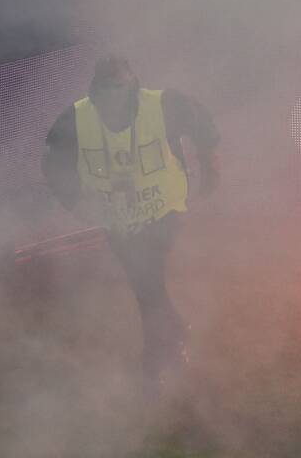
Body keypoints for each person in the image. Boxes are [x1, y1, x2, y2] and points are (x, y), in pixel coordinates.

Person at [42, 55, 219, 395]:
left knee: (146, 279)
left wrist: (210, 167)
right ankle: (175, 334)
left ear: (133, 82)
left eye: (121, 86)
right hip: (117, 219)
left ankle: (155, 359)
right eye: (108, 88)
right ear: (96, 89)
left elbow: (202, 125)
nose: (115, 95)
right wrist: (75, 202)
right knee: (146, 283)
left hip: (164, 209)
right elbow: (53, 162)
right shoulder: (77, 118)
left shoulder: (162, 104)